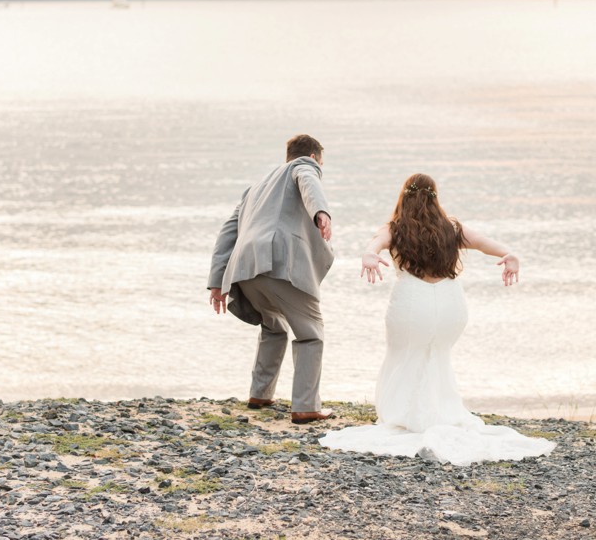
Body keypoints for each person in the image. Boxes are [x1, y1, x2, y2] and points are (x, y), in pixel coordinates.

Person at [318, 174, 554, 464]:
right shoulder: (452, 228)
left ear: (403, 196)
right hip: (450, 304)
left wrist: (369, 254)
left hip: (412, 302)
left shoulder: (396, 228)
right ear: (435, 197)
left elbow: (376, 242)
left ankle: (404, 416)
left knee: (403, 355)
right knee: (437, 356)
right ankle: (440, 412)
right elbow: (484, 242)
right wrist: (510, 254)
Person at [207, 134, 336, 424]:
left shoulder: (256, 188)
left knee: (273, 325)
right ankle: (306, 406)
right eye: (321, 164)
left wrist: (217, 281)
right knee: (311, 332)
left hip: (245, 269)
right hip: (279, 263)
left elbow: (228, 231)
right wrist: (320, 212)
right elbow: (308, 179)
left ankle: (260, 394)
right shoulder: (304, 166)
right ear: (314, 157)